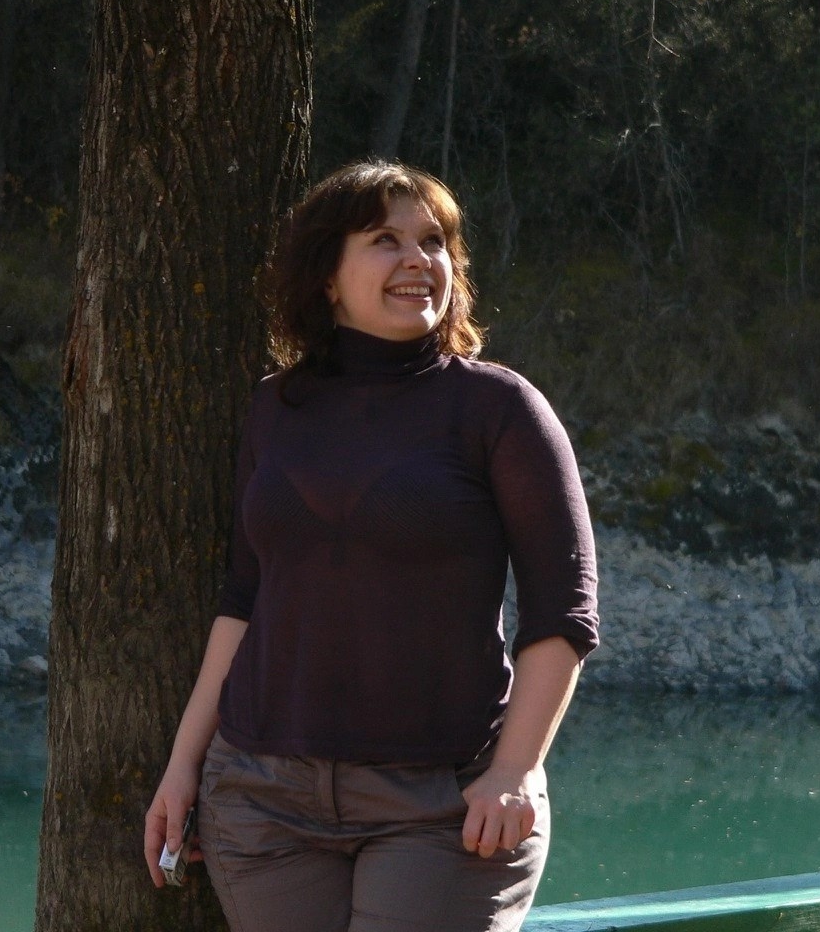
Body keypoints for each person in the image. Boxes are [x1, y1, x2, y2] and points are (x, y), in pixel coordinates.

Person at [143, 160, 599, 932]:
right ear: (327, 275)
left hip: (446, 803)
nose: (419, 260)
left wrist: (516, 771)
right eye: (385, 240)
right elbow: (245, 599)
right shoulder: (276, 408)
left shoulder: (498, 408)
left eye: (434, 242)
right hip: (259, 799)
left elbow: (563, 611)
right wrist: (183, 766)